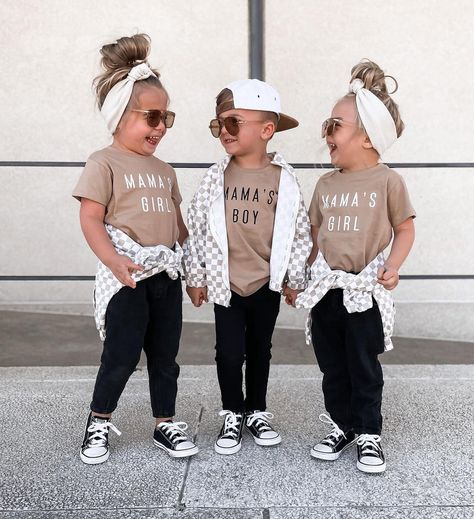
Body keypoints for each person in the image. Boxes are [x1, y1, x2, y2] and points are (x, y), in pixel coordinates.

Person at [72, 33, 198, 464]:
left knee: (166, 357)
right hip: (126, 276)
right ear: (120, 116)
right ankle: (98, 420)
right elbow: (91, 218)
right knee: (121, 356)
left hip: (165, 277)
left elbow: (179, 228)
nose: (161, 127)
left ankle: (165, 423)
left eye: (167, 118)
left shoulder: (164, 170)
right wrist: (112, 260)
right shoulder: (103, 162)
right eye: (152, 117)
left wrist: (196, 273)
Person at [295, 60, 416, 473]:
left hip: (364, 291)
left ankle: (368, 432)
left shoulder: (389, 182)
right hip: (327, 290)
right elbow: (311, 239)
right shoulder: (326, 184)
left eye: (335, 125)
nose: (325, 133)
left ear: (367, 136)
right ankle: (341, 424)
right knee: (332, 364)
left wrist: (394, 267)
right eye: (327, 125)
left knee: (363, 364)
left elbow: (405, 230)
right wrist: (298, 277)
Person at [184, 79, 312, 455]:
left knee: (260, 348)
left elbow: (299, 231)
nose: (224, 131)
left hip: (265, 283)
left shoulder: (284, 179)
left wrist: (294, 279)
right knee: (227, 351)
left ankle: (256, 408)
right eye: (218, 124)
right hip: (226, 283)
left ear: (267, 130)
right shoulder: (216, 176)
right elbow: (197, 226)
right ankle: (232, 411)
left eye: (234, 122)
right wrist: (196, 276)